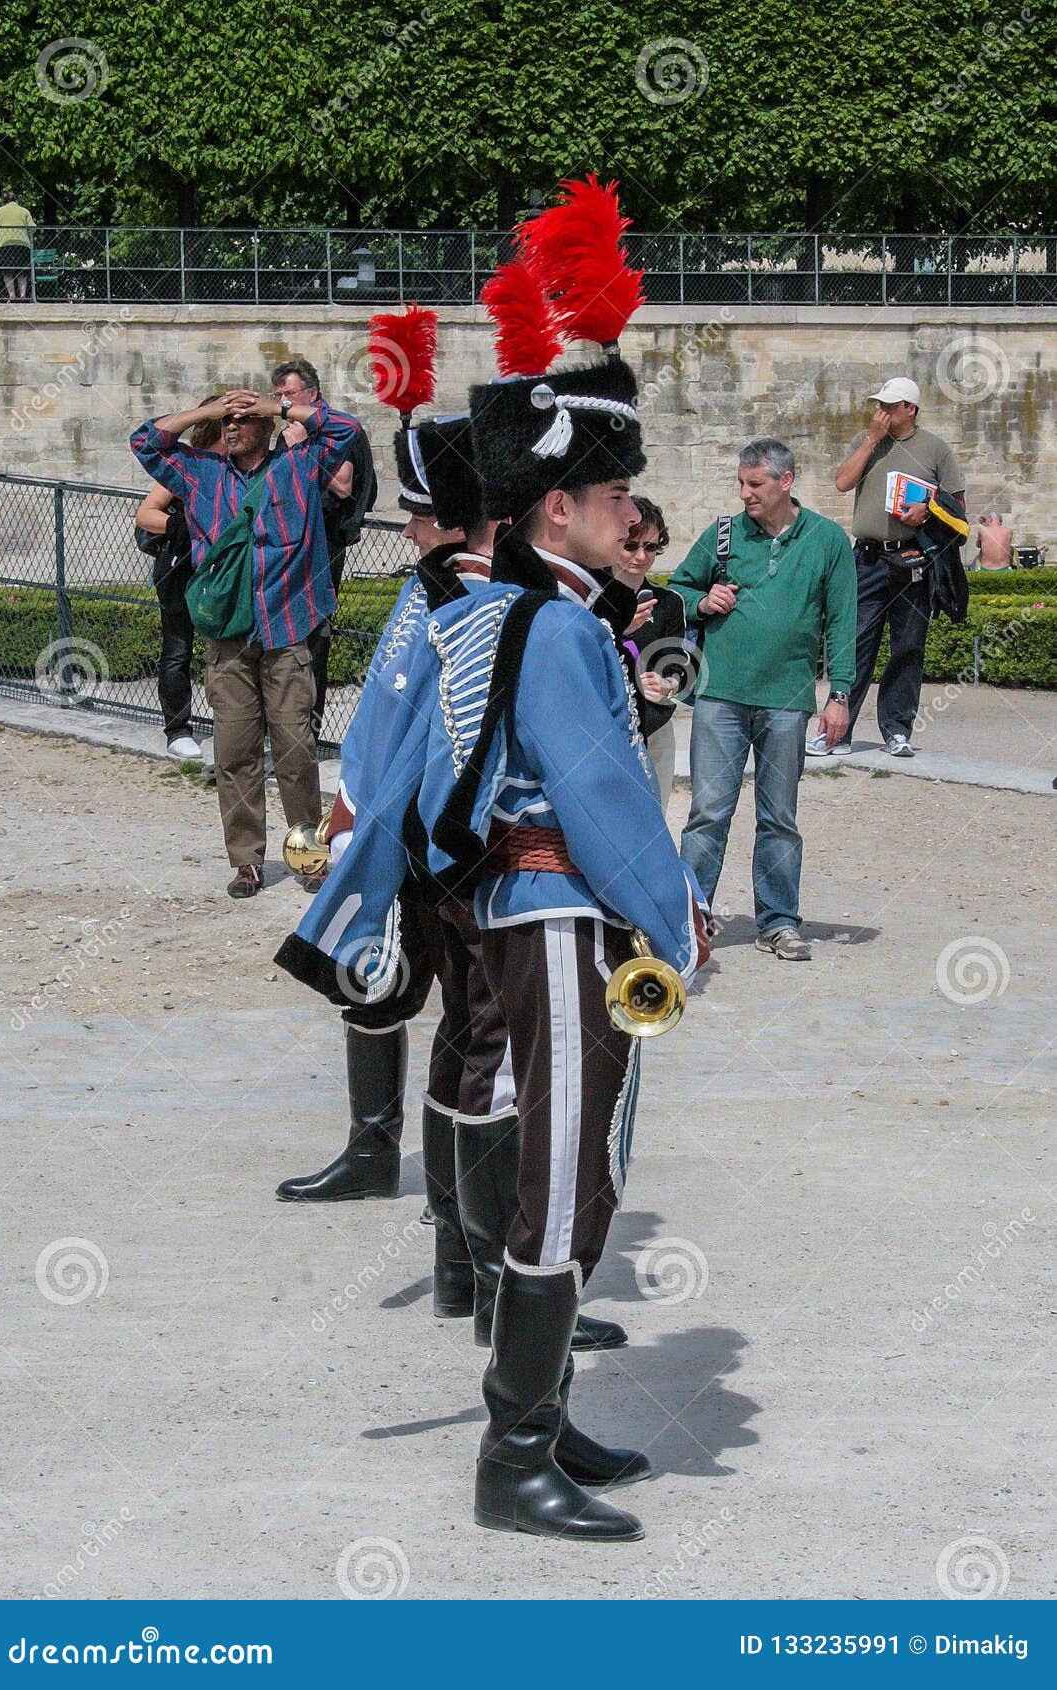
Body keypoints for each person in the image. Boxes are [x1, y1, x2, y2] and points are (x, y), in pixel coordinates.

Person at [280, 180, 710, 1541]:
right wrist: (678, 920)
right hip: (560, 911)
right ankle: (513, 1461)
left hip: (513, 908)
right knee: (566, 1169)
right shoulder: (563, 632)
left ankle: (543, 1422)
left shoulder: (496, 614)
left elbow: (419, 770)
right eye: (618, 491)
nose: (631, 509)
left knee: (547, 1156)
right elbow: (601, 798)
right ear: (565, 505)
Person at [276, 308, 626, 1354]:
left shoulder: (455, 593)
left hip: (436, 849)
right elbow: (412, 730)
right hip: (474, 860)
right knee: (491, 1056)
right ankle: (480, 1269)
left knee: (473, 1049)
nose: (413, 530)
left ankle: (465, 1262)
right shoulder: (472, 601)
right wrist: (362, 842)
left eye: (425, 514)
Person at [131, 389, 359, 897]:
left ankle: (308, 857)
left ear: (264, 427)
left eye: (242, 420)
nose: (232, 428)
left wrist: (276, 408)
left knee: (297, 754)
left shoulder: (299, 467)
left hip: (286, 633)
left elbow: (346, 428)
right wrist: (208, 412)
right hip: (228, 640)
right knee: (235, 754)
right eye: (227, 422)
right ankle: (246, 862)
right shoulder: (200, 474)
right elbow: (146, 441)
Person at [670, 439, 856, 963]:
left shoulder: (827, 541)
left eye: (755, 484)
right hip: (719, 697)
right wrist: (701, 600)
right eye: (741, 483)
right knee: (708, 813)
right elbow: (674, 590)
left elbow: (844, 622)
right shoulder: (724, 534)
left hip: (788, 699)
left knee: (779, 817)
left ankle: (777, 921)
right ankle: (689, 919)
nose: (745, 493)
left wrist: (839, 694)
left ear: (785, 481)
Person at [813, 376, 966, 759]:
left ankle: (897, 730)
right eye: (878, 404)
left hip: (912, 557)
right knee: (854, 642)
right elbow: (842, 483)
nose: (880, 411)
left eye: (889, 405)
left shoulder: (936, 449)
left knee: (908, 646)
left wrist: (927, 510)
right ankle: (837, 731)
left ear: (910, 409)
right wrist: (869, 440)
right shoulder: (866, 441)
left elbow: (958, 509)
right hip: (865, 558)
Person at [270, 358, 377, 744]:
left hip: (323, 545)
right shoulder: (290, 431)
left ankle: (306, 738)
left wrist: (303, 448)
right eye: (278, 395)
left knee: (314, 638)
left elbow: (343, 487)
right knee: (282, 637)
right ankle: (281, 732)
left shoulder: (335, 428)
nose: (282, 402)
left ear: (311, 394)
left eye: (289, 394)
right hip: (288, 543)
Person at [135, 398, 224, 759]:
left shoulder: (243, 466)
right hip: (182, 568)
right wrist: (184, 526)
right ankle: (177, 729)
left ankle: (234, 726)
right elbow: (146, 514)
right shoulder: (190, 463)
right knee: (178, 648)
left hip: (222, 571)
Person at [612, 496, 693, 811]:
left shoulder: (668, 602)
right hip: (608, 726)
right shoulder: (589, 596)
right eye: (631, 546)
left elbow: (677, 664)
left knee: (655, 816)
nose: (641, 556)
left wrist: (667, 685)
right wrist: (619, 629)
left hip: (655, 725)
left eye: (651, 547)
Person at [0, 187, 35, 301]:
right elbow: (32, 228)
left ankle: (12, 296)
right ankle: (23, 296)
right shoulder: (24, 211)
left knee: (7, 271)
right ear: (16, 199)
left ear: (4, 200)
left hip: (4, 243)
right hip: (22, 243)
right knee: (22, 272)